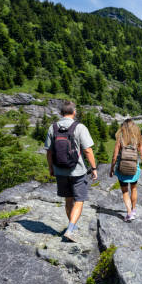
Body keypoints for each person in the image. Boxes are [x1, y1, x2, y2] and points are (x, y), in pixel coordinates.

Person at [45, 101, 97, 242]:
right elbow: (87, 150)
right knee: (79, 200)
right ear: (74, 112)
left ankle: (71, 226)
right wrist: (93, 168)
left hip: (60, 171)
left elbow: (49, 152)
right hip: (77, 170)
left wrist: (51, 168)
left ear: (61, 113)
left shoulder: (52, 128)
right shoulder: (79, 127)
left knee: (68, 199)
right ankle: (70, 229)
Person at [110, 118, 142, 222]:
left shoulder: (120, 138)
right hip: (134, 168)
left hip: (122, 168)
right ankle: (134, 209)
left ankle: (129, 213)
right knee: (134, 189)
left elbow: (114, 156)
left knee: (125, 191)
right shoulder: (138, 138)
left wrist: (112, 169)